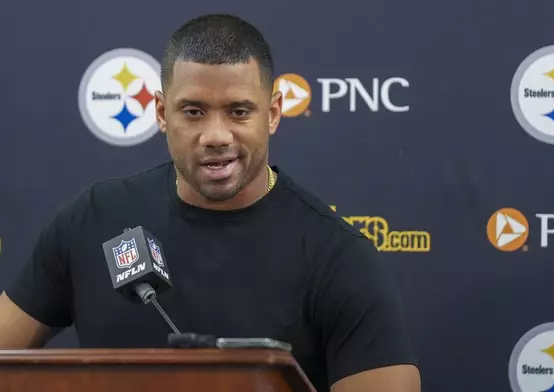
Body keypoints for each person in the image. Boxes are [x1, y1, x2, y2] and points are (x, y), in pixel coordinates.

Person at [0, 13, 420, 392]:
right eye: (194, 112)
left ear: (272, 112)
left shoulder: (339, 257)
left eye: (239, 111)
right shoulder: (93, 219)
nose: (216, 135)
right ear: (162, 112)